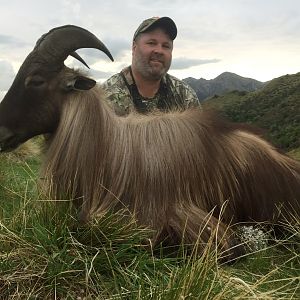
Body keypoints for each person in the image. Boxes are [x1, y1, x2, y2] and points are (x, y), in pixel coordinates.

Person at [102, 16, 200, 115]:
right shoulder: (105, 98)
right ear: (134, 47)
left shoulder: (185, 95)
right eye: (151, 43)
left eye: (166, 46)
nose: (159, 51)